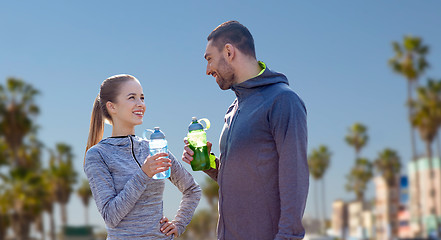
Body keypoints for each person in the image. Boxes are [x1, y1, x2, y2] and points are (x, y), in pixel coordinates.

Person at [182, 21, 309, 240]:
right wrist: (209, 164)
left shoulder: (283, 101)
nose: (207, 70)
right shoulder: (234, 108)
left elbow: (295, 179)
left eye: (209, 59)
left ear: (229, 51)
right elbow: (244, 178)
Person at [84, 74, 201, 239]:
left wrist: (178, 224)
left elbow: (192, 189)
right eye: (132, 98)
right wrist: (144, 174)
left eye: (142, 98)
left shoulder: (154, 148)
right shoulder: (98, 155)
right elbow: (111, 217)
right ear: (112, 107)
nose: (141, 104)